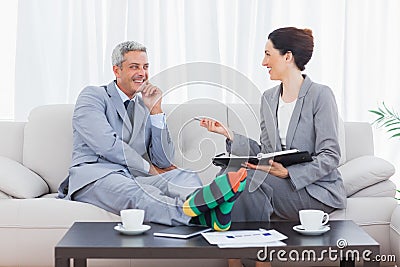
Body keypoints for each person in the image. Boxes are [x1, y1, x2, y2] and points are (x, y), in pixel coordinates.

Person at [57, 41, 247, 231]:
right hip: (95, 177)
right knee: (141, 193)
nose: (142, 73)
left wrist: (156, 110)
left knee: (183, 175)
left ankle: (205, 207)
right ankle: (199, 216)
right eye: (134, 67)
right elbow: (107, 145)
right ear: (117, 70)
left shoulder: (143, 107)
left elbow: (164, 161)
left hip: (132, 176)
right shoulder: (93, 96)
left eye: (145, 67)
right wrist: (150, 169)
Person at [199, 27, 347, 266]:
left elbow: (330, 156)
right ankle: (238, 259)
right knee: (229, 175)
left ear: (287, 57)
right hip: (277, 183)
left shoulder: (320, 95)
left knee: (245, 181)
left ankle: (253, 261)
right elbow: (265, 152)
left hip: (313, 190)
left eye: (268, 54)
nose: (263, 62)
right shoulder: (269, 98)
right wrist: (228, 134)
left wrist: (288, 172)